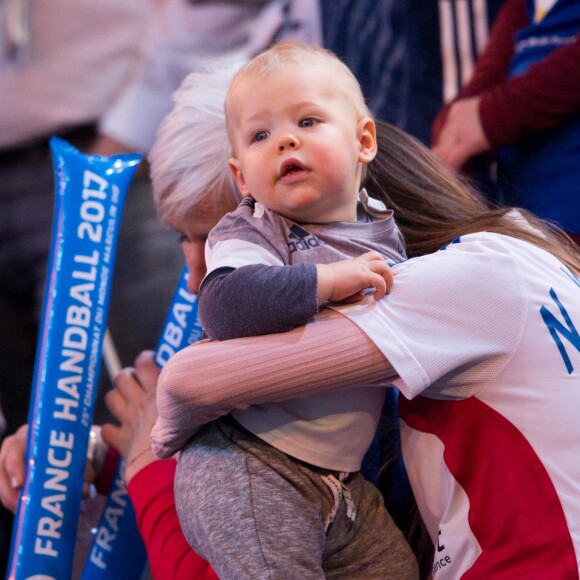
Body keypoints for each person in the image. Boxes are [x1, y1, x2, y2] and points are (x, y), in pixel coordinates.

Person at [152, 114, 580, 577]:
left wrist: (150, 458)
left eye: (266, 245)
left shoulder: (454, 284)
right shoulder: (519, 244)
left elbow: (187, 382)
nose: (201, 278)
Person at [151, 41, 418, 579]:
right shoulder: (253, 233)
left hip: (344, 484)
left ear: (362, 142)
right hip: (251, 463)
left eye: (308, 121)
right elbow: (219, 316)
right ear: (245, 182)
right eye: (261, 137)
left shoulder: (389, 228)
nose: (191, 278)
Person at [432, 0, 580, 244]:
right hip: (532, 229)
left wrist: (490, 116)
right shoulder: (523, 7)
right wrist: (454, 129)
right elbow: (477, 91)